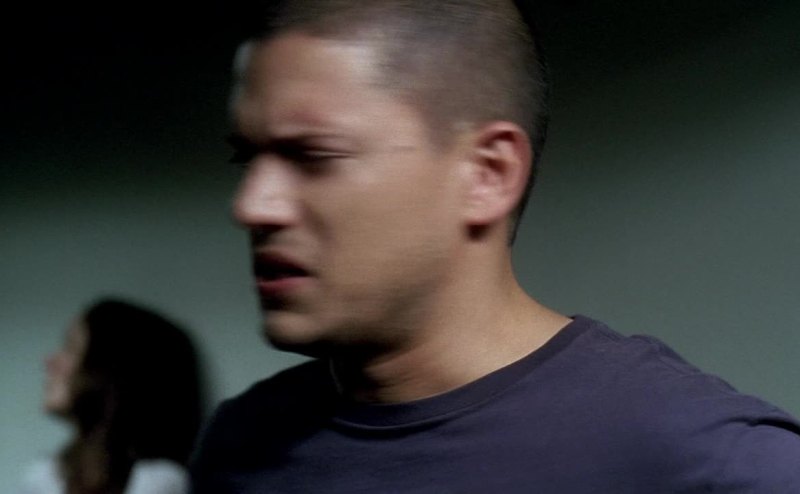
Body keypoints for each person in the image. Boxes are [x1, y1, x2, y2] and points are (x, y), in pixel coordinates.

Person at [189, 0, 800, 492]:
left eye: (314, 155)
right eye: (247, 158)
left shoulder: (712, 464)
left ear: (488, 174)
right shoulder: (239, 445)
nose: (252, 205)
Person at [18, 298, 204, 494]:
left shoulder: (160, 481)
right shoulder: (43, 476)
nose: (49, 361)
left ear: (111, 371)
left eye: (71, 348)